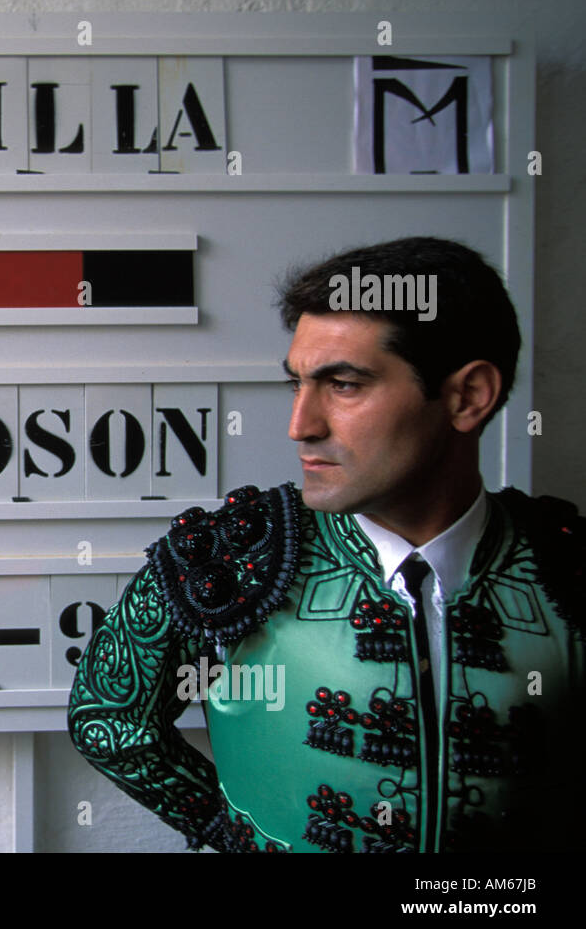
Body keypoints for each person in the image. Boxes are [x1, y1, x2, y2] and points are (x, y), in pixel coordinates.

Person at [67, 237, 583, 852]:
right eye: (298, 385)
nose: (300, 425)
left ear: (467, 396)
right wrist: (237, 837)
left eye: (343, 384)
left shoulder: (566, 563)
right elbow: (110, 722)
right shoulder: (232, 552)